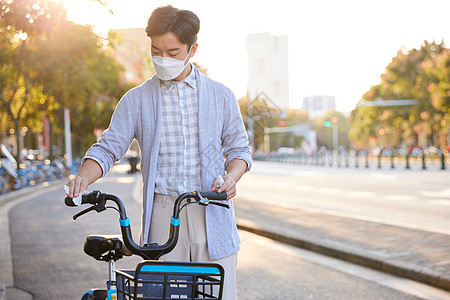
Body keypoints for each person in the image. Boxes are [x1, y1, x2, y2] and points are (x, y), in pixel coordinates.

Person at [65, 5, 252, 299]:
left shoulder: (221, 96)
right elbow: (109, 147)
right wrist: (83, 178)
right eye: (156, 51)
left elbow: (239, 150)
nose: (163, 59)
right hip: (164, 215)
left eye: (173, 52)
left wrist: (231, 177)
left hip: (213, 211)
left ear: (193, 49)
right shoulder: (136, 100)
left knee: (218, 293)